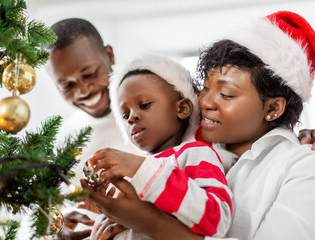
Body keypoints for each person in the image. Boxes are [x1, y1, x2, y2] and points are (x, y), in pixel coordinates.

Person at [82, 10, 315, 240]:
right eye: (204, 87)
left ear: (273, 109)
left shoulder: (301, 168)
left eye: (226, 94)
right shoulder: (184, 150)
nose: (205, 102)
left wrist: (150, 222)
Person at [87, 54, 233, 239]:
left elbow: (216, 220)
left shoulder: (195, 153)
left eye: (144, 105)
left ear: (182, 109)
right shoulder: (129, 174)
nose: (132, 117)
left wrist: (143, 169)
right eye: (125, 115)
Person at [42, 18, 145, 239]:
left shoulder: (153, 113)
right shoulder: (64, 138)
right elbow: (45, 208)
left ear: (109, 56)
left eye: (89, 74)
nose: (84, 90)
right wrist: (58, 227)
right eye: (67, 85)